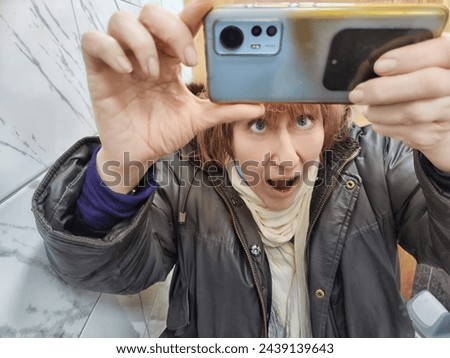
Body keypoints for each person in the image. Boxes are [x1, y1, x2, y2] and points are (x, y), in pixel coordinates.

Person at [32, 0, 450, 337]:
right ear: (225, 131)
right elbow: (103, 271)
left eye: (304, 121)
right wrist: (121, 164)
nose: (285, 157)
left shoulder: (380, 160)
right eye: (258, 123)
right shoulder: (186, 179)